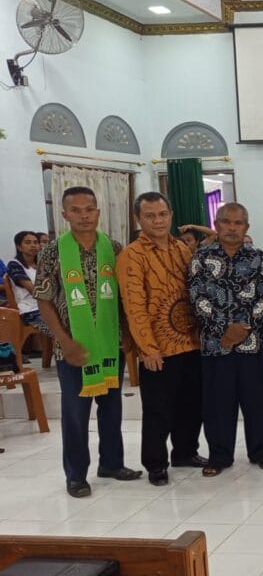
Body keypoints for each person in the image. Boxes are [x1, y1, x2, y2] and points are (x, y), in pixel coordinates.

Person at [34, 186, 141, 497]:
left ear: (98, 212)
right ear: (65, 214)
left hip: (109, 344)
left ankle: (112, 463)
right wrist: (64, 341)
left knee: (111, 409)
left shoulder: (114, 248)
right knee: (76, 415)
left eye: (89, 209)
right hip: (73, 349)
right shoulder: (53, 252)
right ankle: (76, 474)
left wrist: (127, 335)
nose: (84, 216)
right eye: (76, 210)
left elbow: (122, 296)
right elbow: (44, 300)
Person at [117, 192, 208, 487]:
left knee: (191, 403)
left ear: (171, 216)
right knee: (158, 409)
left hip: (190, 340)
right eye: (150, 216)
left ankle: (185, 452)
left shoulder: (182, 249)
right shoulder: (132, 255)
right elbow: (134, 306)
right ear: (138, 219)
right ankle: (156, 464)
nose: (157, 221)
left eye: (162, 214)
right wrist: (147, 348)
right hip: (158, 347)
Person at [187, 202, 263, 476]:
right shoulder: (201, 259)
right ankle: (219, 455)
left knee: (256, 401)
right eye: (226, 221)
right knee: (218, 404)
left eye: (238, 223)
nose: (232, 228)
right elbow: (197, 299)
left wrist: (242, 329)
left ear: (246, 227)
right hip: (216, 346)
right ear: (216, 225)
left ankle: (261, 451)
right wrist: (224, 331)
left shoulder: (258, 258)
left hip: (253, 344)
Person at [7, 231, 48, 331]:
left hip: (48, 307)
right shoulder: (14, 265)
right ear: (19, 247)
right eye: (28, 242)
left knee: (77, 317)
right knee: (61, 328)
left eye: (35, 242)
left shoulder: (42, 264)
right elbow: (34, 291)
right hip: (30, 310)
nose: (33, 245)